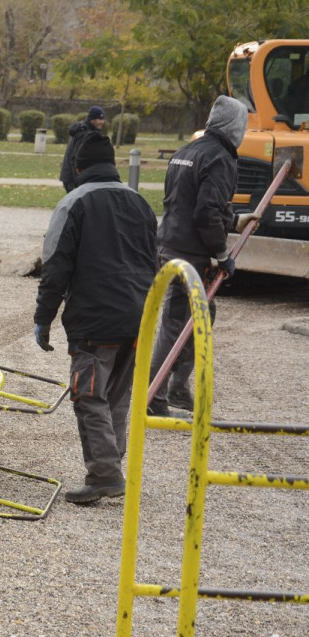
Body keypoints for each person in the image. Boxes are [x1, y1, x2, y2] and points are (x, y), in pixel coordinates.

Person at [34, 132, 158, 504]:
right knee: (116, 395)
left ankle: (105, 473)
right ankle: (110, 467)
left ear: (78, 167)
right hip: (138, 316)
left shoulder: (73, 203)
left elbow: (56, 267)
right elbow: (154, 258)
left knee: (87, 394)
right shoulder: (141, 203)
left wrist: (44, 317)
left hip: (94, 319)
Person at [148, 95, 246, 416]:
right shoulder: (220, 158)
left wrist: (234, 220)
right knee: (178, 321)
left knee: (204, 314)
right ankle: (155, 393)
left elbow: (187, 201)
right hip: (190, 254)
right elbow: (206, 212)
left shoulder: (186, 152)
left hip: (169, 243)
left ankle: (176, 387)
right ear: (234, 126)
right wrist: (221, 253)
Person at [59, 106, 106, 193]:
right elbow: (76, 158)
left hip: (73, 177)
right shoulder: (84, 134)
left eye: (102, 119)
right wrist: (78, 180)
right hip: (74, 178)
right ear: (92, 119)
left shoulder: (85, 130)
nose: (101, 122)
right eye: (99, 119)